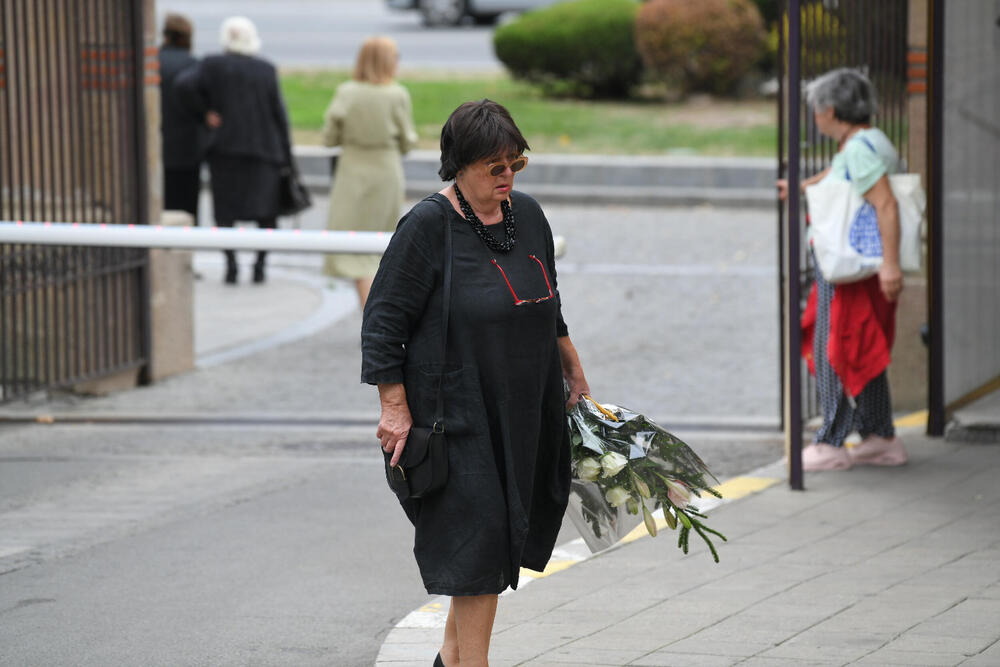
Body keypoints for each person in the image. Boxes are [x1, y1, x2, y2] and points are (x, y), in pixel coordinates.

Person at [361, 100, 590, 667]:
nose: (507, 175)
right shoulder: (427, 227)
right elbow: (384, 323)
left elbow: (549, 301)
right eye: (495, 165)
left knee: (499, 534)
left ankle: (453, 661)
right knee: (479, 543)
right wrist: (394, 409)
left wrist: (572, 366)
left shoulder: (528, 216)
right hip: (454, 412)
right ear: (459, 165)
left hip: (522, 405)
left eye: (516, 162)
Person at [778, 68, 908, 471]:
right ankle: (879, 436)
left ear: (829, 109)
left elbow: (885, 203)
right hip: (860, 269)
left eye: (816, 109)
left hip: (848, 271)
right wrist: (801, 187)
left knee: (834, 349)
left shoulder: (856, 150)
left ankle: (832, 442)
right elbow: (845, 179)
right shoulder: (871, 141)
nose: (814, 117)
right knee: (862, 348)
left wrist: (891, 265)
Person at [175, 16, 294, 285]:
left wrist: (204, 113)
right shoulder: (266, 69)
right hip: (264, 153)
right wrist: (287, 155)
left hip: (225, 152)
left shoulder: (212, 65)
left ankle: (231, 266)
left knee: (225, 213)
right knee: (266, 215)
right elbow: (279, 115)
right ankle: (259, 267)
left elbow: (183, 86)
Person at [321, 36, 417, 309]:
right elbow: (408, 141)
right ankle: (376, 314)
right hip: (386, 170)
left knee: (352, 245)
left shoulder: (346, 92)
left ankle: (371, 314)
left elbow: (329, 138)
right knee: (379, 244)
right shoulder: (397, 94)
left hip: (352, 171)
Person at [159, 13, 205, 225]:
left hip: (158, 145)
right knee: (187, 207)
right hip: (188, 149)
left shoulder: (152, 61)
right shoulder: (193, 64)